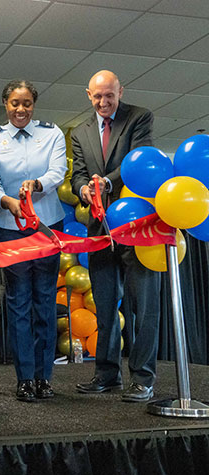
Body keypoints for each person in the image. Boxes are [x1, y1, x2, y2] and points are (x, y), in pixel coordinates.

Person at [70, 70, 160, 402]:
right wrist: (83, 188)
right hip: (99, 228)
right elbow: (78, 171)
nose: (104, 102)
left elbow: (138, 159)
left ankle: (143, 378)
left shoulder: (139, 117)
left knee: (142, 305)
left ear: (120, 91)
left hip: (138, 224)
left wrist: (106, 182)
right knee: (104, 304)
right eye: (97, 96)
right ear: (88, 95)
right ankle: (107, 375)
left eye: (109, 95)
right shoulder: (80, 132)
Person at [0, 80, 67, 402]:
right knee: (18, 303)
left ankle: (43, 377)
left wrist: (36, 185)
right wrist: (6, 200)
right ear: (5, 104)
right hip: (8, 227)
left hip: (46, 225)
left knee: (45, 301)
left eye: (27, 103)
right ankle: (24, 378)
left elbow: (58, 171)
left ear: (33, 105)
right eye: (14, 103)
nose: (21, 109)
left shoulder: (52, 134)